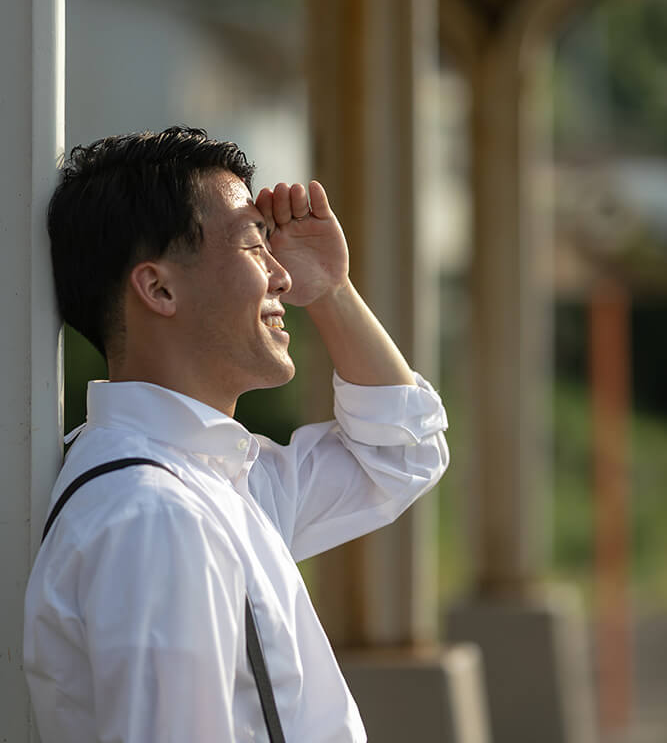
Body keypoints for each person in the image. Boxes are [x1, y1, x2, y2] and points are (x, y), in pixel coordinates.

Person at [24, 126, 449, 742]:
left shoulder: (213, 478)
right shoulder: (154, 511)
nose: (282, 278)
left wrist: (332, 291)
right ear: (159, 288)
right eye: (256, 248)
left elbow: (401, 452)